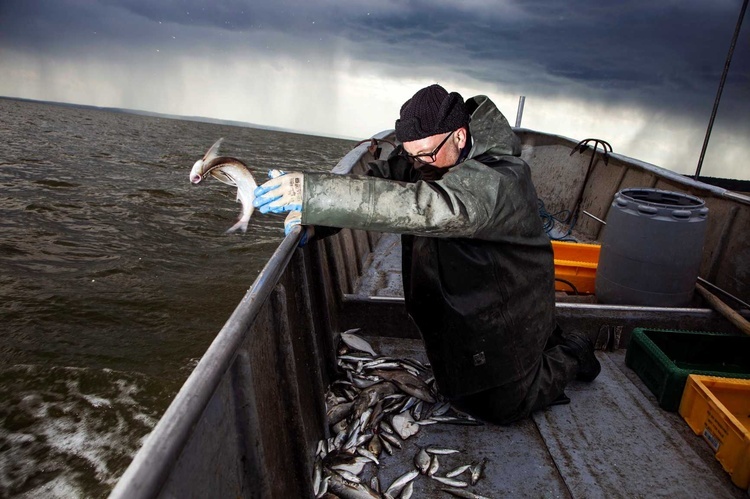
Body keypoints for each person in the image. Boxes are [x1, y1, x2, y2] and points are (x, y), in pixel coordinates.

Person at [253, 84, 600, 424]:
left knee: (502, 406)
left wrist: (312, 193)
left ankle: (573, 351)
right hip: (462, 303)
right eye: (411, 154)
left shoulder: (502, 177)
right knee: (456, 390)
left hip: (509, 303)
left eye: (427, 154)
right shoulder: (424, 160)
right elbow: (383, 182)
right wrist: (318, 223)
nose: (418, 164)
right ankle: (535, 348)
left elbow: (437, 206)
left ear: (460, 137)